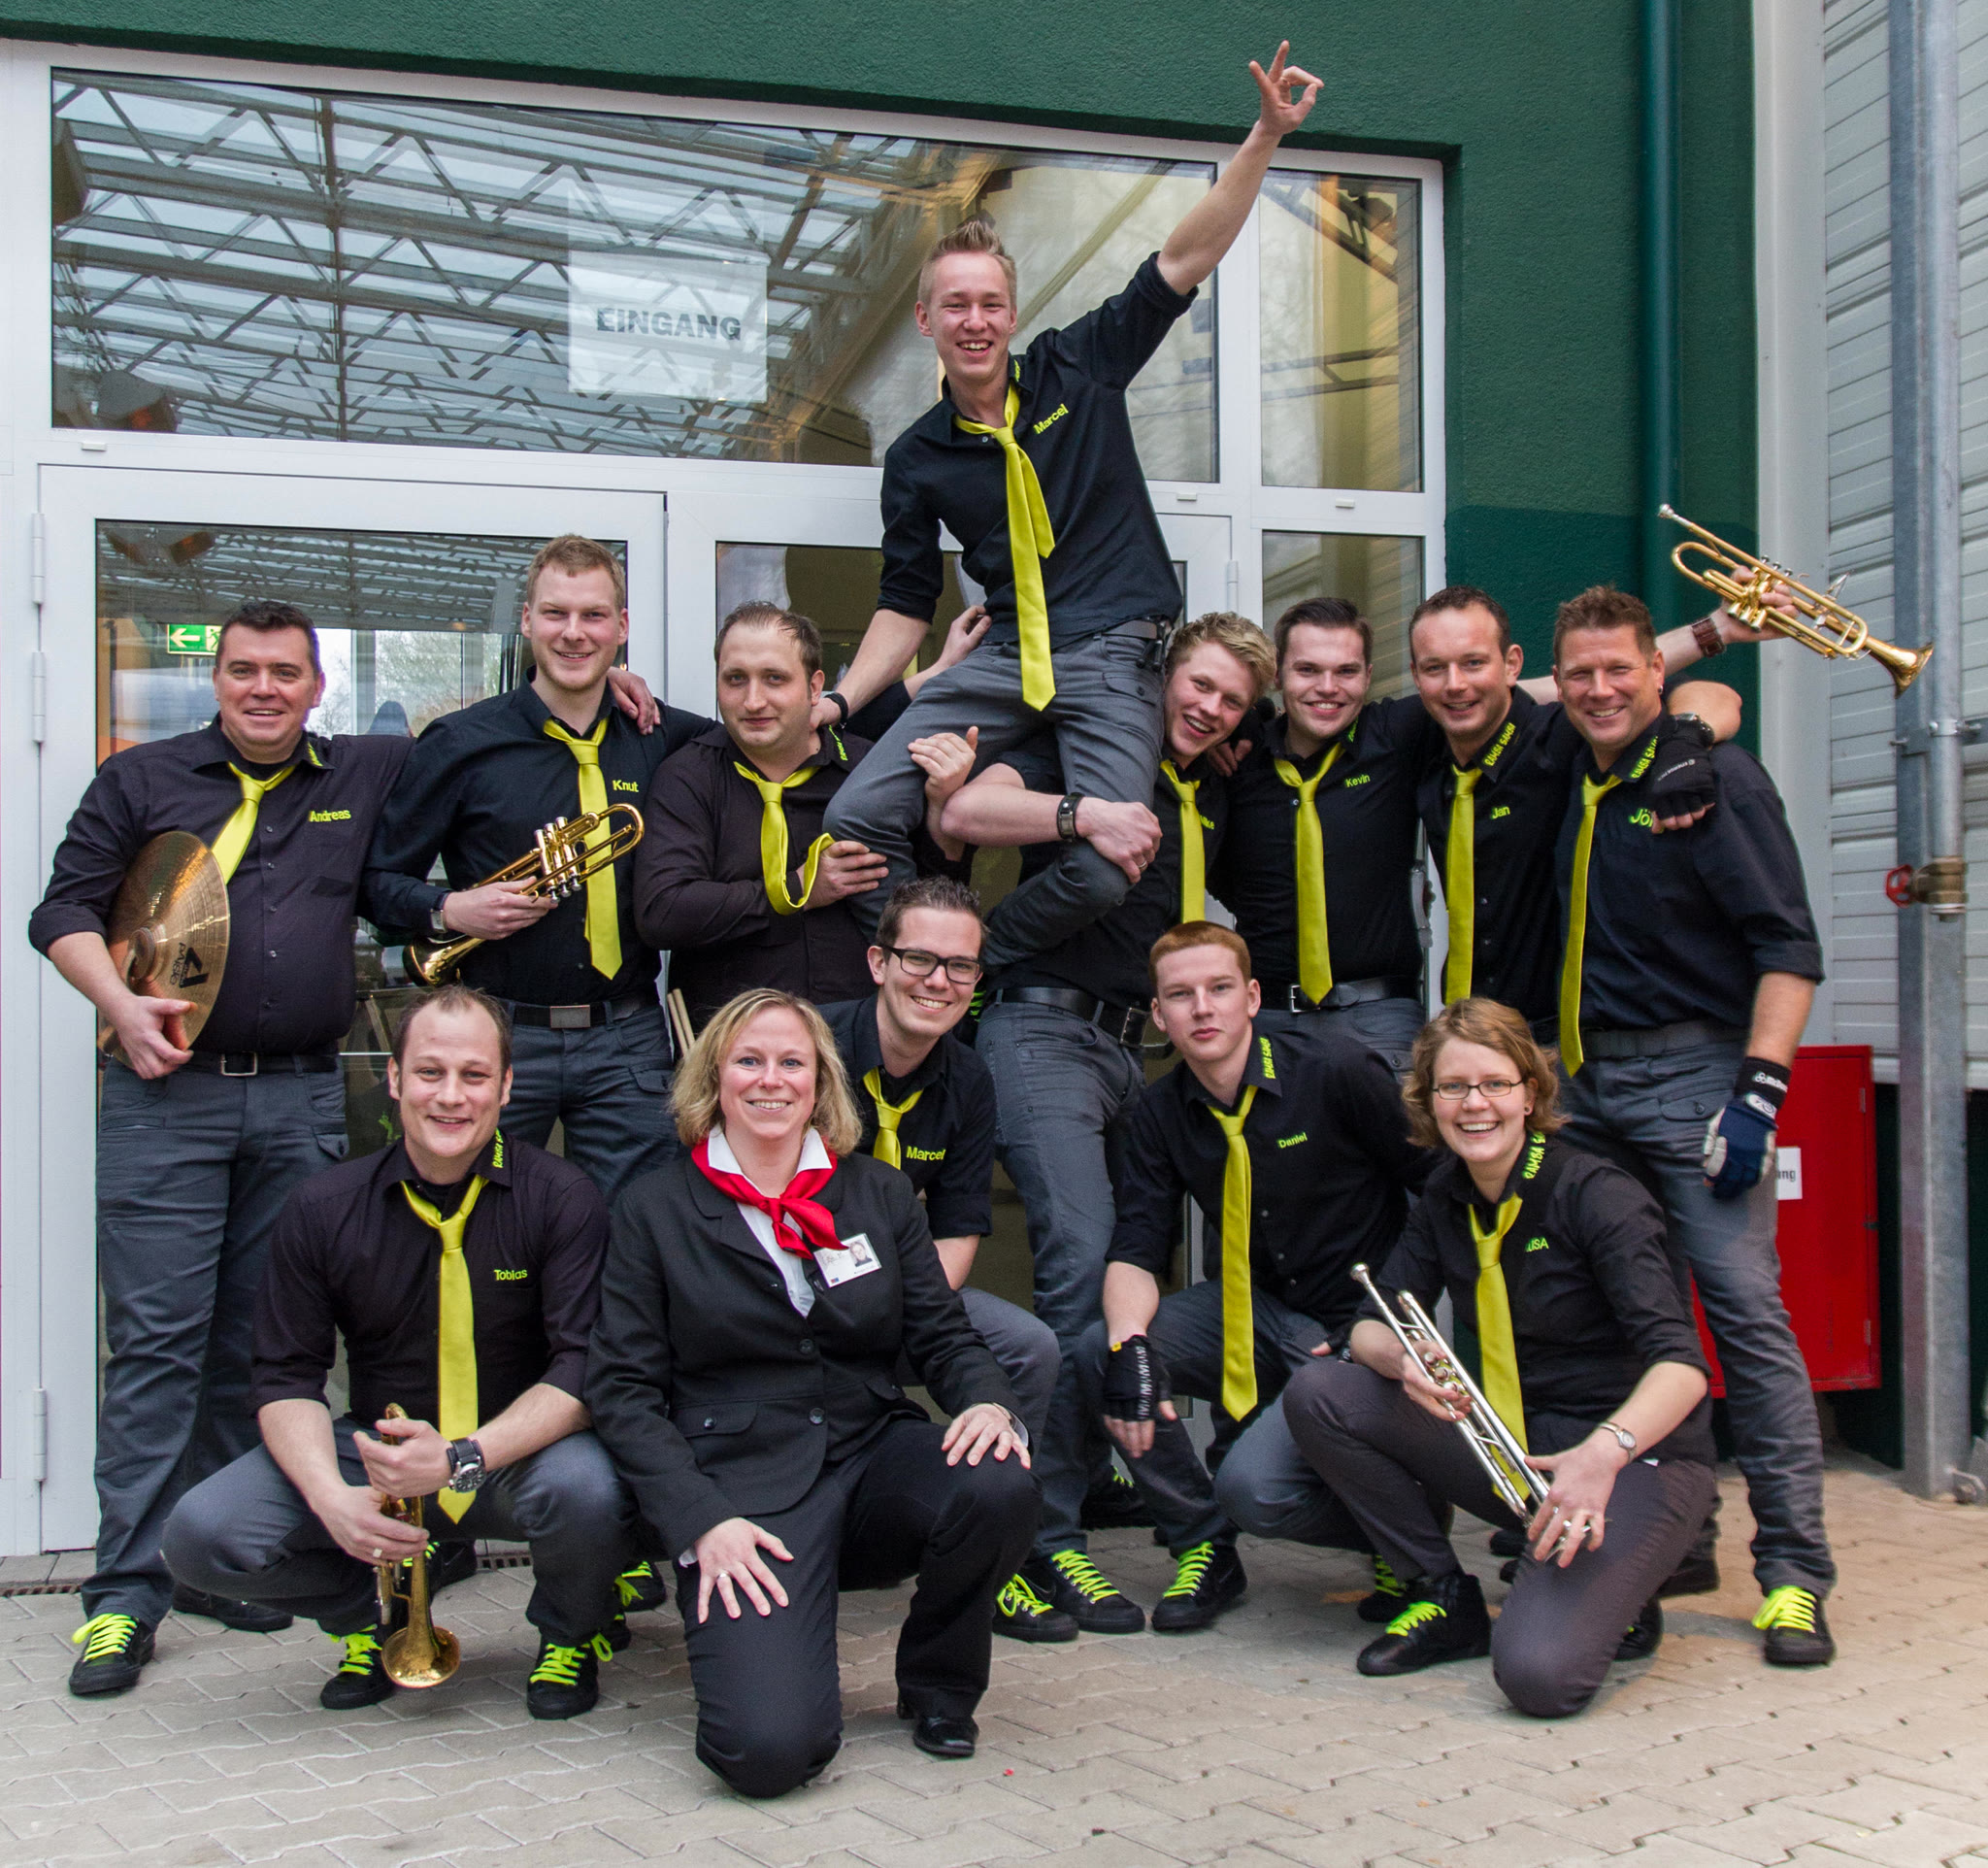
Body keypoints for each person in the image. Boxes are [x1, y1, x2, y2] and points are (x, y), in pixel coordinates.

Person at [822, 46, 1323, 964]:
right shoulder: (917, 458)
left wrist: (1263, 137)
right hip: (1007, 657)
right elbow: (904, 603)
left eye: (991, 304)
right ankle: (916, 963)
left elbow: (1184, 256)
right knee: (856, 812)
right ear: (926, 320)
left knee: (1104, 868)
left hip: (1112, 656)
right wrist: (840, 698)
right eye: (955, 306)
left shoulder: (1076, 369)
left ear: (1012, 315)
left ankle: (971, 965)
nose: (975, 321)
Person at [31, 599, 419, 1695]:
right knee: (157, 1345)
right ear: (218, 679)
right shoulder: (141, 781)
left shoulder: (359, 774)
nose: (263, 689)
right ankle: (124, 1595)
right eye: (244, 669)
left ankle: (214, 1562)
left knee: (261, 1350)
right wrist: (120, 1004)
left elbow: (491, 736)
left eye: (284, 673)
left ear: (316, 687)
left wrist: (610, 680)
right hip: (167, 1096)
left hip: (300, 1100)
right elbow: (60, 911)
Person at [586, 989, 1037, 1797]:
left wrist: (986, 1401)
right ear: (713, 1078)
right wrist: (700, 1521)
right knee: (766, 1755)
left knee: (997, 1477)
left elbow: (941, 1332)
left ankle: (938, 1685)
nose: (772, 1080)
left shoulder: (877, 1193)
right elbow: (622, 1392)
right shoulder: (654, 1208)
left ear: (821, 1080)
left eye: (792, 1062)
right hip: (744, 1491)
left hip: (868, 1455)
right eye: (749, 1061)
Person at [160, 985, 637, 1718]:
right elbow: (286, 1377)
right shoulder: (323, 1207)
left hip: (515, 1455)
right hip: (379, 1456)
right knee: (203, 1535)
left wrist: (460, 1457)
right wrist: (331, 1497)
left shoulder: (562, 1197)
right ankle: (370, 1619)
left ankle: (570, 1633)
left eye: (474, 1076)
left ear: (508, 1086)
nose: (450, 1097)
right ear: (393, 1077)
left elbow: (582, 1369)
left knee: (592, 1490)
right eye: (429, 1073)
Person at [939, 614, 1276, 1628]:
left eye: (1231, 700)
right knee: (1079, 1271)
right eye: (1200, 684)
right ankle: (1044, 1542)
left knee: (1130, 1277)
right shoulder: (1091, 750)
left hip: (1140, 1049)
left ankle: (1091, 1482)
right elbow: (969, 805)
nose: (1209, 707)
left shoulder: (1212, 782)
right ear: (1165, 674)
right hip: (1043, 1030)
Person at [1280, 998, 1717, 1717]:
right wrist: (1401, 1359)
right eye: (1453, 1087)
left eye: (1495, 1084)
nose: (1474, 1104)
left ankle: (1631, 1581)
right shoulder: (1445, 1195)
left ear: (1531, 1094)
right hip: (1518, 1449)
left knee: (1540, 1677)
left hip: (1630, 1459)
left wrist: (1601, 1455)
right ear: (1429, 1101)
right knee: (1323, 1391)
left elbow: (1683, 1368)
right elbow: (1367, 1327)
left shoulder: (1597, 1194)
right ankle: (1443, 1594)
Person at [1547, 584, 1834, 1666]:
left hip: (1694, 1081)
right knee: (1637, 1325)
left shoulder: (1712, 781)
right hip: (1589, 1094)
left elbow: (1788, 947)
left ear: (1653, 673)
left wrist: (1758, 1092)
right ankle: (1678, 1542)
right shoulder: (1577, 771)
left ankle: (1795, 1575)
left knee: (1746, 1319)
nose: (1598, 689)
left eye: (1618, 669)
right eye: (1580, 672)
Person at [1033, 922, 1430, 1634]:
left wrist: (1387, 1318)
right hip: (1257, 1312)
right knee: (1101, 1349)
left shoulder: (1335, 1067)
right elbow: (1137, 1249)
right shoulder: (1160, 1111)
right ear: (1159, 1015)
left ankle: (1398, 1526)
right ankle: (1203, 1544)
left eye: (1218, 989)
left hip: (1356, 1325)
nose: (1202, 1008)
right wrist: (1131, 1350)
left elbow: (1437, 1190)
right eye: (1180, 995)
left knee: (1257, 1489)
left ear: (1251, 996)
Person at [1218, 590, 1754, 1069]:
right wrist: (1235, 722)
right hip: (1274, 1018)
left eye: (1346, 671)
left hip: (1390, 1020)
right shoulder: (1237, 759)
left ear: (1371, 674)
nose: (1327, 688)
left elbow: (1593, 686)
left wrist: (1714, 637)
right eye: (1307, 670)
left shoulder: (1400, 733)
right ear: (1278, 676)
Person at [363, 534, 707, 1209]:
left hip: (629, 1038)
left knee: (634, 1229)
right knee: (475, 1218)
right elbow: (376, 883)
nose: (574, 633)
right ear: (526, 620)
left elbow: (768, 734)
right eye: (555, 614)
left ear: (621, 628)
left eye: (593, 616)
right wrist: (451, 909)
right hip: (496, 1029)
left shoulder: (662, 734)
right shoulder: (461, 742)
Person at [818, 877, 1067, 1641]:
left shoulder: (968, 1076)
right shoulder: (811, 1053)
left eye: (960, 966)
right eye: (920, 958)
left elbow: (959, 1227)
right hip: (800, 1305)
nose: (939, 980)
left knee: (1028, 1348)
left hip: (908, 1296)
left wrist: (905, 1310)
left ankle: (997, 1558)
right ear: (879, 962)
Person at [1409, 583, 1778, 1037]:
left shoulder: (1569, 737)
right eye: (1435, 667)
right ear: (1416, 675)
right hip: (1470, 1033)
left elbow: (1709, 694)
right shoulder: (1423, 746)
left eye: (1473, 662)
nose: (1455, 684)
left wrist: (1687, 735)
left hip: (1561, 1034)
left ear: (1511, 664)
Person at [634, 605, 972, 1030]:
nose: (753, 700)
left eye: (774, 678)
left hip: (858, 1039)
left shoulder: (871, 770)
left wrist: (942, 809)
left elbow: (939, 903)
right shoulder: (688, 775)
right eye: (735, 679)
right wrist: (796, 890)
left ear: (815, 687)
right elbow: (663, 912)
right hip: (731, 1048)